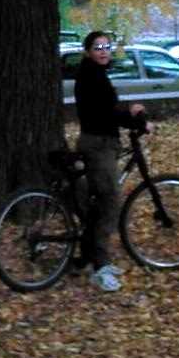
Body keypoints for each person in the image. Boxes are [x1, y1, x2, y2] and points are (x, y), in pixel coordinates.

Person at [72, 30, 149, 292]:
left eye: (106, 46)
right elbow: (106, 111)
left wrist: (130, 117)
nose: (103, 51)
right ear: (87, 52)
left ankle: (85, 255)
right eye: (97, 47)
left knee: (98, 202)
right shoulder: (91, 76)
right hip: (98, 145)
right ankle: (100, 266)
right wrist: (131, 112)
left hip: (101, 142)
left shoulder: (95, 74)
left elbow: (108, 111)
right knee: (110, 203)